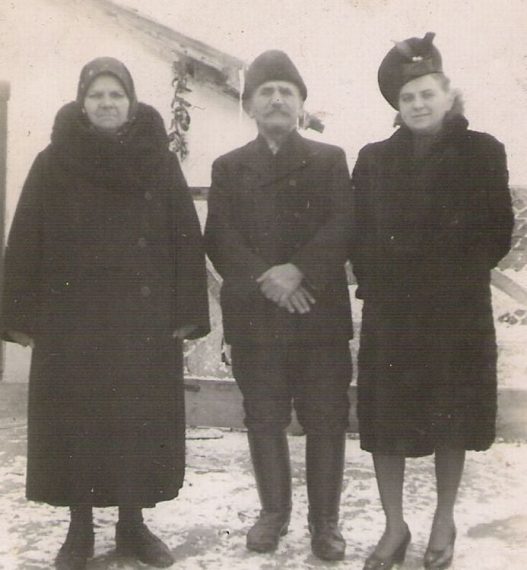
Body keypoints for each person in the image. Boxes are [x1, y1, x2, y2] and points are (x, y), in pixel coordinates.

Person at [1, 57, 209, 570]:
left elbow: (185, 237)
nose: (107, 103)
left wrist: (187, 310)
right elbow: (26, 239)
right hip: (74, 323)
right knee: (78, 423)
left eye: (117, 94)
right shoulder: (52, 162)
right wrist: (19, 316)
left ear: (132, 103)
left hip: (143, 323)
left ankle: (132, 525)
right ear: (81, 103)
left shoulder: (159, 161)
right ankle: (79, 529)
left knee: (136, 422)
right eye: (96, 95)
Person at [350, 33, 514, 570]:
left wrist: (441, 274)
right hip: (392, 316)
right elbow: (359, 236)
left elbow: (496, 233)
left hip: (454, 316)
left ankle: (444, 519)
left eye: (427, 93)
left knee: (452, 420)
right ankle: (394, 525)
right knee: (386, 425)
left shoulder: (483, 152)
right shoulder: (374, 159)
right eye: (408, 97)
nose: (418, 104)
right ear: (397, 106)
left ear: (447, 94)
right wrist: (385, 281)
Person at [205, 50, 354, 561]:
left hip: (319, 314)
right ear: (249, 105)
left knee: (327, 417)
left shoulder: (329, 160)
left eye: (286, 91)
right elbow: (219, 236)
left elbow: (344, 224)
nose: (276, 99)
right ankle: (273, 513)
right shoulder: (229, 167)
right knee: (263, 416)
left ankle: (325, 522)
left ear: (301, 104)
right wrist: (265, 280)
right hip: (256, 315)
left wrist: (298, 270)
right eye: (265, 91)